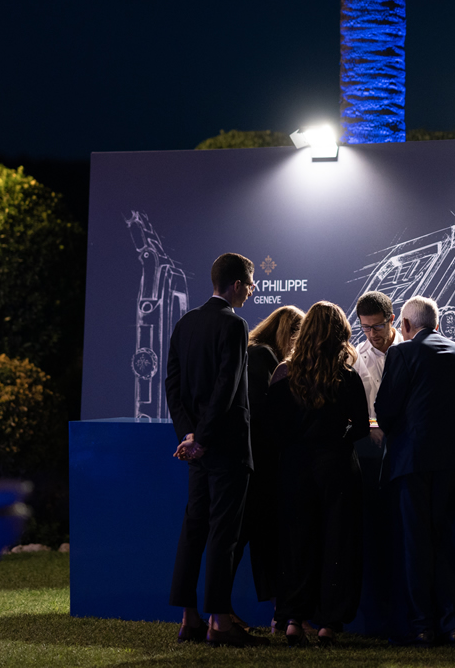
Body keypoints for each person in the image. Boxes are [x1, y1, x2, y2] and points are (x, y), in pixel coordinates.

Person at [166, 253, 268, 647]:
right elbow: (227, 387)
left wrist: (188, 436)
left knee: (193, 529)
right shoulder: (235, 324)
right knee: (223, 535)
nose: (253, 290)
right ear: (237, 284)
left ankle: (189, 619)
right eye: (251, 284)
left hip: (198, 451)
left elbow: (172, 386)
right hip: (225, 449)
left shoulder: (185, 323)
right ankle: (220, 624)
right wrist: (203, 438)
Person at [375, 295, 455, 646]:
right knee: (440, 538)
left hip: (413, 462)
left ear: (404, 325)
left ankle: (422, 626)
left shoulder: (402, 353)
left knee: (416, 543)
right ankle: (452, 625)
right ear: (435, 322)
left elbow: (385, 411)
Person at [268, 301, 369, 647]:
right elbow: (360, 427)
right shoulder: (348, 376)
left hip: (295, 468)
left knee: (296, 544)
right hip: (337, 468)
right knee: (338, 543)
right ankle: (328, 623)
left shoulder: (283, 374)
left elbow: (272, 429)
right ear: (341, 334)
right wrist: (338, 437)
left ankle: (293, 620)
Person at [238, 305, 305, 631]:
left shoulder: (255, 353)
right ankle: (280, 613)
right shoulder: (262, 356)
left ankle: (279, 613)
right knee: (266, 539)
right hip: (261, 465)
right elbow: (264, 412)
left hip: (257, 463)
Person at [353, 291, 403, 445]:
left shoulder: (411, 352)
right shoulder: (356, 357)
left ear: (392, 320)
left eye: (378, 326)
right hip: (370, 444)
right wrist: (372, 426)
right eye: (366, 327)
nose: (372, 334)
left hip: (406, 441)